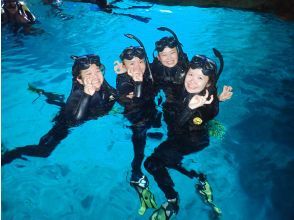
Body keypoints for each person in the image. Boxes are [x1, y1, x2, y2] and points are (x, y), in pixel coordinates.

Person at [145, 54, 223, 219]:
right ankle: (199, 178)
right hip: (179, 137)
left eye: (200, 78)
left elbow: (180, 125)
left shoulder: (202, 105)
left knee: (152, 163)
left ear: (208, 83)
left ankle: (172, 201)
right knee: (170, 160)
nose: (192, 80)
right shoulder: (188, 89)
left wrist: (190, 108)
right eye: (191, 74)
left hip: (192, 140)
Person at [1, 54, 116, 166]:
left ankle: (43, 93)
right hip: (65, 123)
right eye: (89, 74)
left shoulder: (99, 84)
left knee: (60, 102)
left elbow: (110, 90)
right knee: (44, 151)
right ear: (80, 80)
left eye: (97, 71)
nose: (95, 77)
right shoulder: (78, 95)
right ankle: (10, 154)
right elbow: (75, 122)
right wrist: (86, 95)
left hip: (79, 109)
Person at [114, 46, 161, 215]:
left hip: (151, 111)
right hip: (137, 120)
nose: (137, 67)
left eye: (141, 62)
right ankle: (135, 172)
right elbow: (137, 100)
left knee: (157, 125)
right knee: (140, 147)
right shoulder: (124, 82)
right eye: (131, 64)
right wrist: (138, 82)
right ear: (124, 66)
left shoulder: (146, 72)